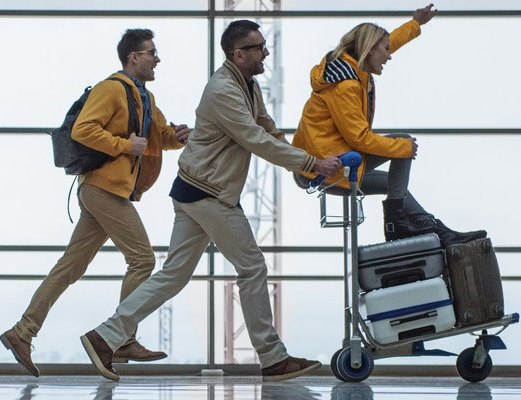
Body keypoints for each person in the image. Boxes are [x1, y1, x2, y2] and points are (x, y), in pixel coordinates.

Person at [79, 20, 342, 382]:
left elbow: (267, 129)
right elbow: (254, 139)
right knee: (252, 266)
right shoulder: (223, 90)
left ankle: (104, 337)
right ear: (239, 53)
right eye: (259, 47)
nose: (266, 52)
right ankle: (273, 358)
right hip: (209, 193)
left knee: (172, 275)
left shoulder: (248, 86)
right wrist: (312, 164)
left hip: (195, 189)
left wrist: (303, 161)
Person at [0, 28, 190, 377]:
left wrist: (176, 137)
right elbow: (83, 130)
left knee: (70, 266)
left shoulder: (144, 97)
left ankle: (22, 332)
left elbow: (156, 137)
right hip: (104, 188)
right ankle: (121, 337)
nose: (157, 59)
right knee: (142, 259)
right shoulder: (111, 89)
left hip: (110, 190)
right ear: (134, 57)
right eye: (152, 53)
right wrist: (123, 146)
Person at [290, 4, 485, 247]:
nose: (389, 55)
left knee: (390, 181)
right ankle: (401, 223)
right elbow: (359, 138)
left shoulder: (354, 68)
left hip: (338, 155)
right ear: (369, 50)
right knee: (401, 143)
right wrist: (403, 148)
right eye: (384, 50)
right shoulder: (346, 85)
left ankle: (425, 227)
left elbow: (388, 41)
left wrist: (415, 24)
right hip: (322, 166)